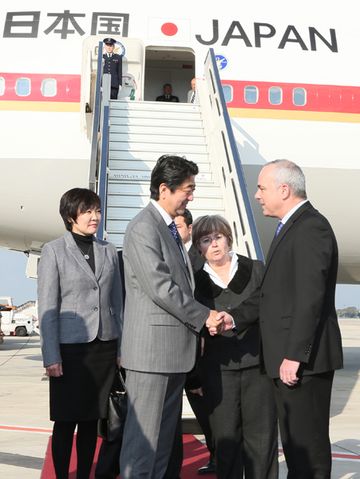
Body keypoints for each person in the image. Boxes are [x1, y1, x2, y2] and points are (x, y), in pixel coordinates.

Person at [119, 155, 230, 479]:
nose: (191, 196)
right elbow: (160, 286)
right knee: (142, 449)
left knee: (161, 447)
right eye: (188, 189)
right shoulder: (143, 227)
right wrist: (204, 316)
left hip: (171, 356)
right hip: (152, 356)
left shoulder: (167, 229)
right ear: (164, 189)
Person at [234, 160, 343, 478]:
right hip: (289, 362)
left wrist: (294, 354)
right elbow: (272, 294)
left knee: (308, 451)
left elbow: (310, 297)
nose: (257, 195)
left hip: (302, 363)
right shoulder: (291, 227)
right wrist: (232, 318)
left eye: (261, 188)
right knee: (295, 449)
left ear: (284, 189)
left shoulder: (311, 227)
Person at [37, 188, 123, 479]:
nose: (94, 217)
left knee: (91, 421)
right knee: (65, 421)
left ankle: (85, 475)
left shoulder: (109, 251)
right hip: (70, 350)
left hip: (104, 347)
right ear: (70, 215)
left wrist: (121, 348)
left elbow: (117, 303)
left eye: (97, 210)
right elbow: (48, 307)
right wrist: (51, 355)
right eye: (87, 211)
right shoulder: (54, 251)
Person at [191, 215, 278, 479]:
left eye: (218, 237)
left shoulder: (256, 269)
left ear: (228, 238)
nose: (214, 244)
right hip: (218, 371)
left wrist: (233, 318)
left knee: (261, 441)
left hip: (258, 367)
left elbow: (268, 304)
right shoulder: (194, 281)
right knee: (226, 440)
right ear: (199, 248)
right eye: (206, 240)